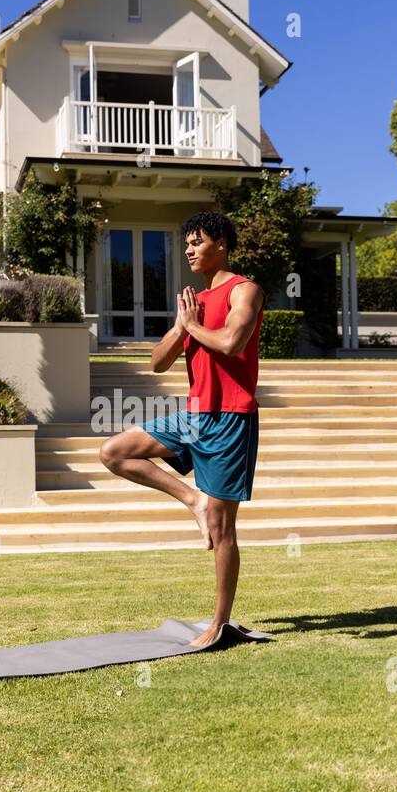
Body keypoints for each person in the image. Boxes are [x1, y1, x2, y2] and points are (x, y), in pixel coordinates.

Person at [98, 211, 265, 649]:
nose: (189, 249)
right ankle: (191, 497)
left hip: (231, 418)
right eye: (187, 243)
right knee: (114, 452)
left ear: (222, 244)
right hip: (194, 416)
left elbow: (232, 343)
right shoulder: (193, 302)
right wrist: (180, 326)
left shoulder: (244, 290)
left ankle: (219, 623)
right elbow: (157, 363)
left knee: (223, 527)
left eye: (198, 241)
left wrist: (192, 325)